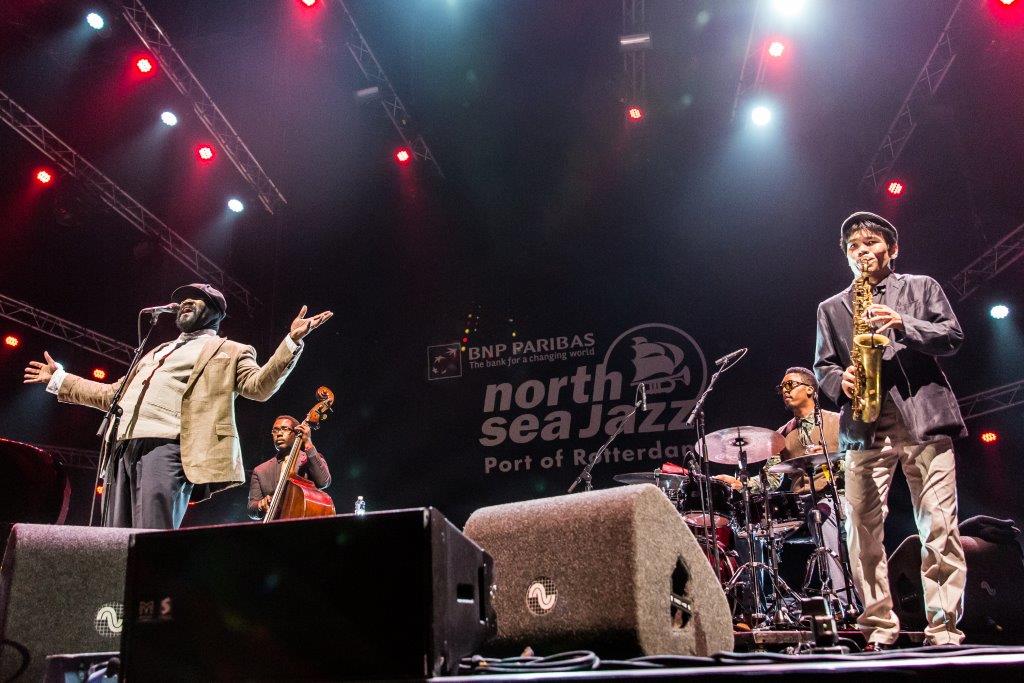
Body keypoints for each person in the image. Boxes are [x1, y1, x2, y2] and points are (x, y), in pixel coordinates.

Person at [23, 283, 333, 530]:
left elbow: (260, 386)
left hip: (167, 446)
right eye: (182, 299)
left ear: (214, 312)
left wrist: (291, 342)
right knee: (114, 538)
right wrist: (59, 380)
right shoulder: (156, 351)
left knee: (150, 536)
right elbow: (112, 394)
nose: (185, 302)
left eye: (195, 299)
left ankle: (153, 593)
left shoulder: (230, 350)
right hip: (121, 447)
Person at [814, 211, 967, 649]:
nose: (861, 251)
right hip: (864, 425)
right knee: (859, 529)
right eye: (853, 246)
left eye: (870, 243)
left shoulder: (921, 287)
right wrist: (838, 379)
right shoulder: (831, 308)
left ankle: (944, 629)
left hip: (923, 420)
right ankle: (878, 628)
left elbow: (952, 336)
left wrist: (903, 323)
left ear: (892, 249)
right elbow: (822, 366)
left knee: (939, 524)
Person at [248, 415, 331, 520]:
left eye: (285, 429)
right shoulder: (260, 470)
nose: (279, 434)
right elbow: (251, 509)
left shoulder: (311, 458)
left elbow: (323, 482)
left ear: (296, 433)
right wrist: (260, 505)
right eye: (275, 430)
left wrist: (308, 442)